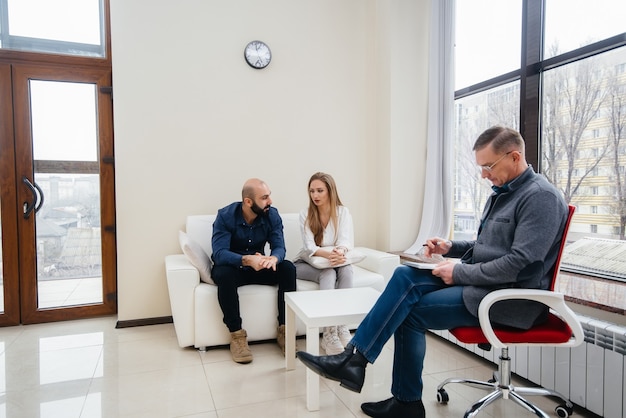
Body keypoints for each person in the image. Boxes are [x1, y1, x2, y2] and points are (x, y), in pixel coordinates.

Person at [296, 126, 569, 418]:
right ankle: (356, 363)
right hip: (484, 284)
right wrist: (450, 246)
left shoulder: (540, 197)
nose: (483, 175)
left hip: (508, 299)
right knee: (403, 276)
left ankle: (396, 395)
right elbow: (486, 246)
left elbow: (520, 263)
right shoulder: (501, 194)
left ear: (515, 157)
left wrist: (459, 273)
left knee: (409, 311)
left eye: (487, 166)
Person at [211, 178, 297, 364]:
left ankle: (285, 331)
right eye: (264, 197)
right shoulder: (225, 216)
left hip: (259, 265)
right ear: (248, 202)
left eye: (269, 196)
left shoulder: (272, 215)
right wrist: (247, 259)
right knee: (222, 273)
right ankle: (237, 336)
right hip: (234, 268)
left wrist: (273, 258)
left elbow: (279, 247)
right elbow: (219, 253)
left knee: (287, 268)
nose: (270, 201)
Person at [294, 172, 355, 355]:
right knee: (328, 272)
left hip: (333, 260)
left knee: (347, 270)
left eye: (320, 190)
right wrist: (331, 255)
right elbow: (310, 247)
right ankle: (328, 333)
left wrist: (340, 252)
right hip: (305, 263)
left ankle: (342, 326)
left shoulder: (342, 212)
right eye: (312, 191)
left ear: (330, 191)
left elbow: (345, 241)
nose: (315, 195)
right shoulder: (305, 214)